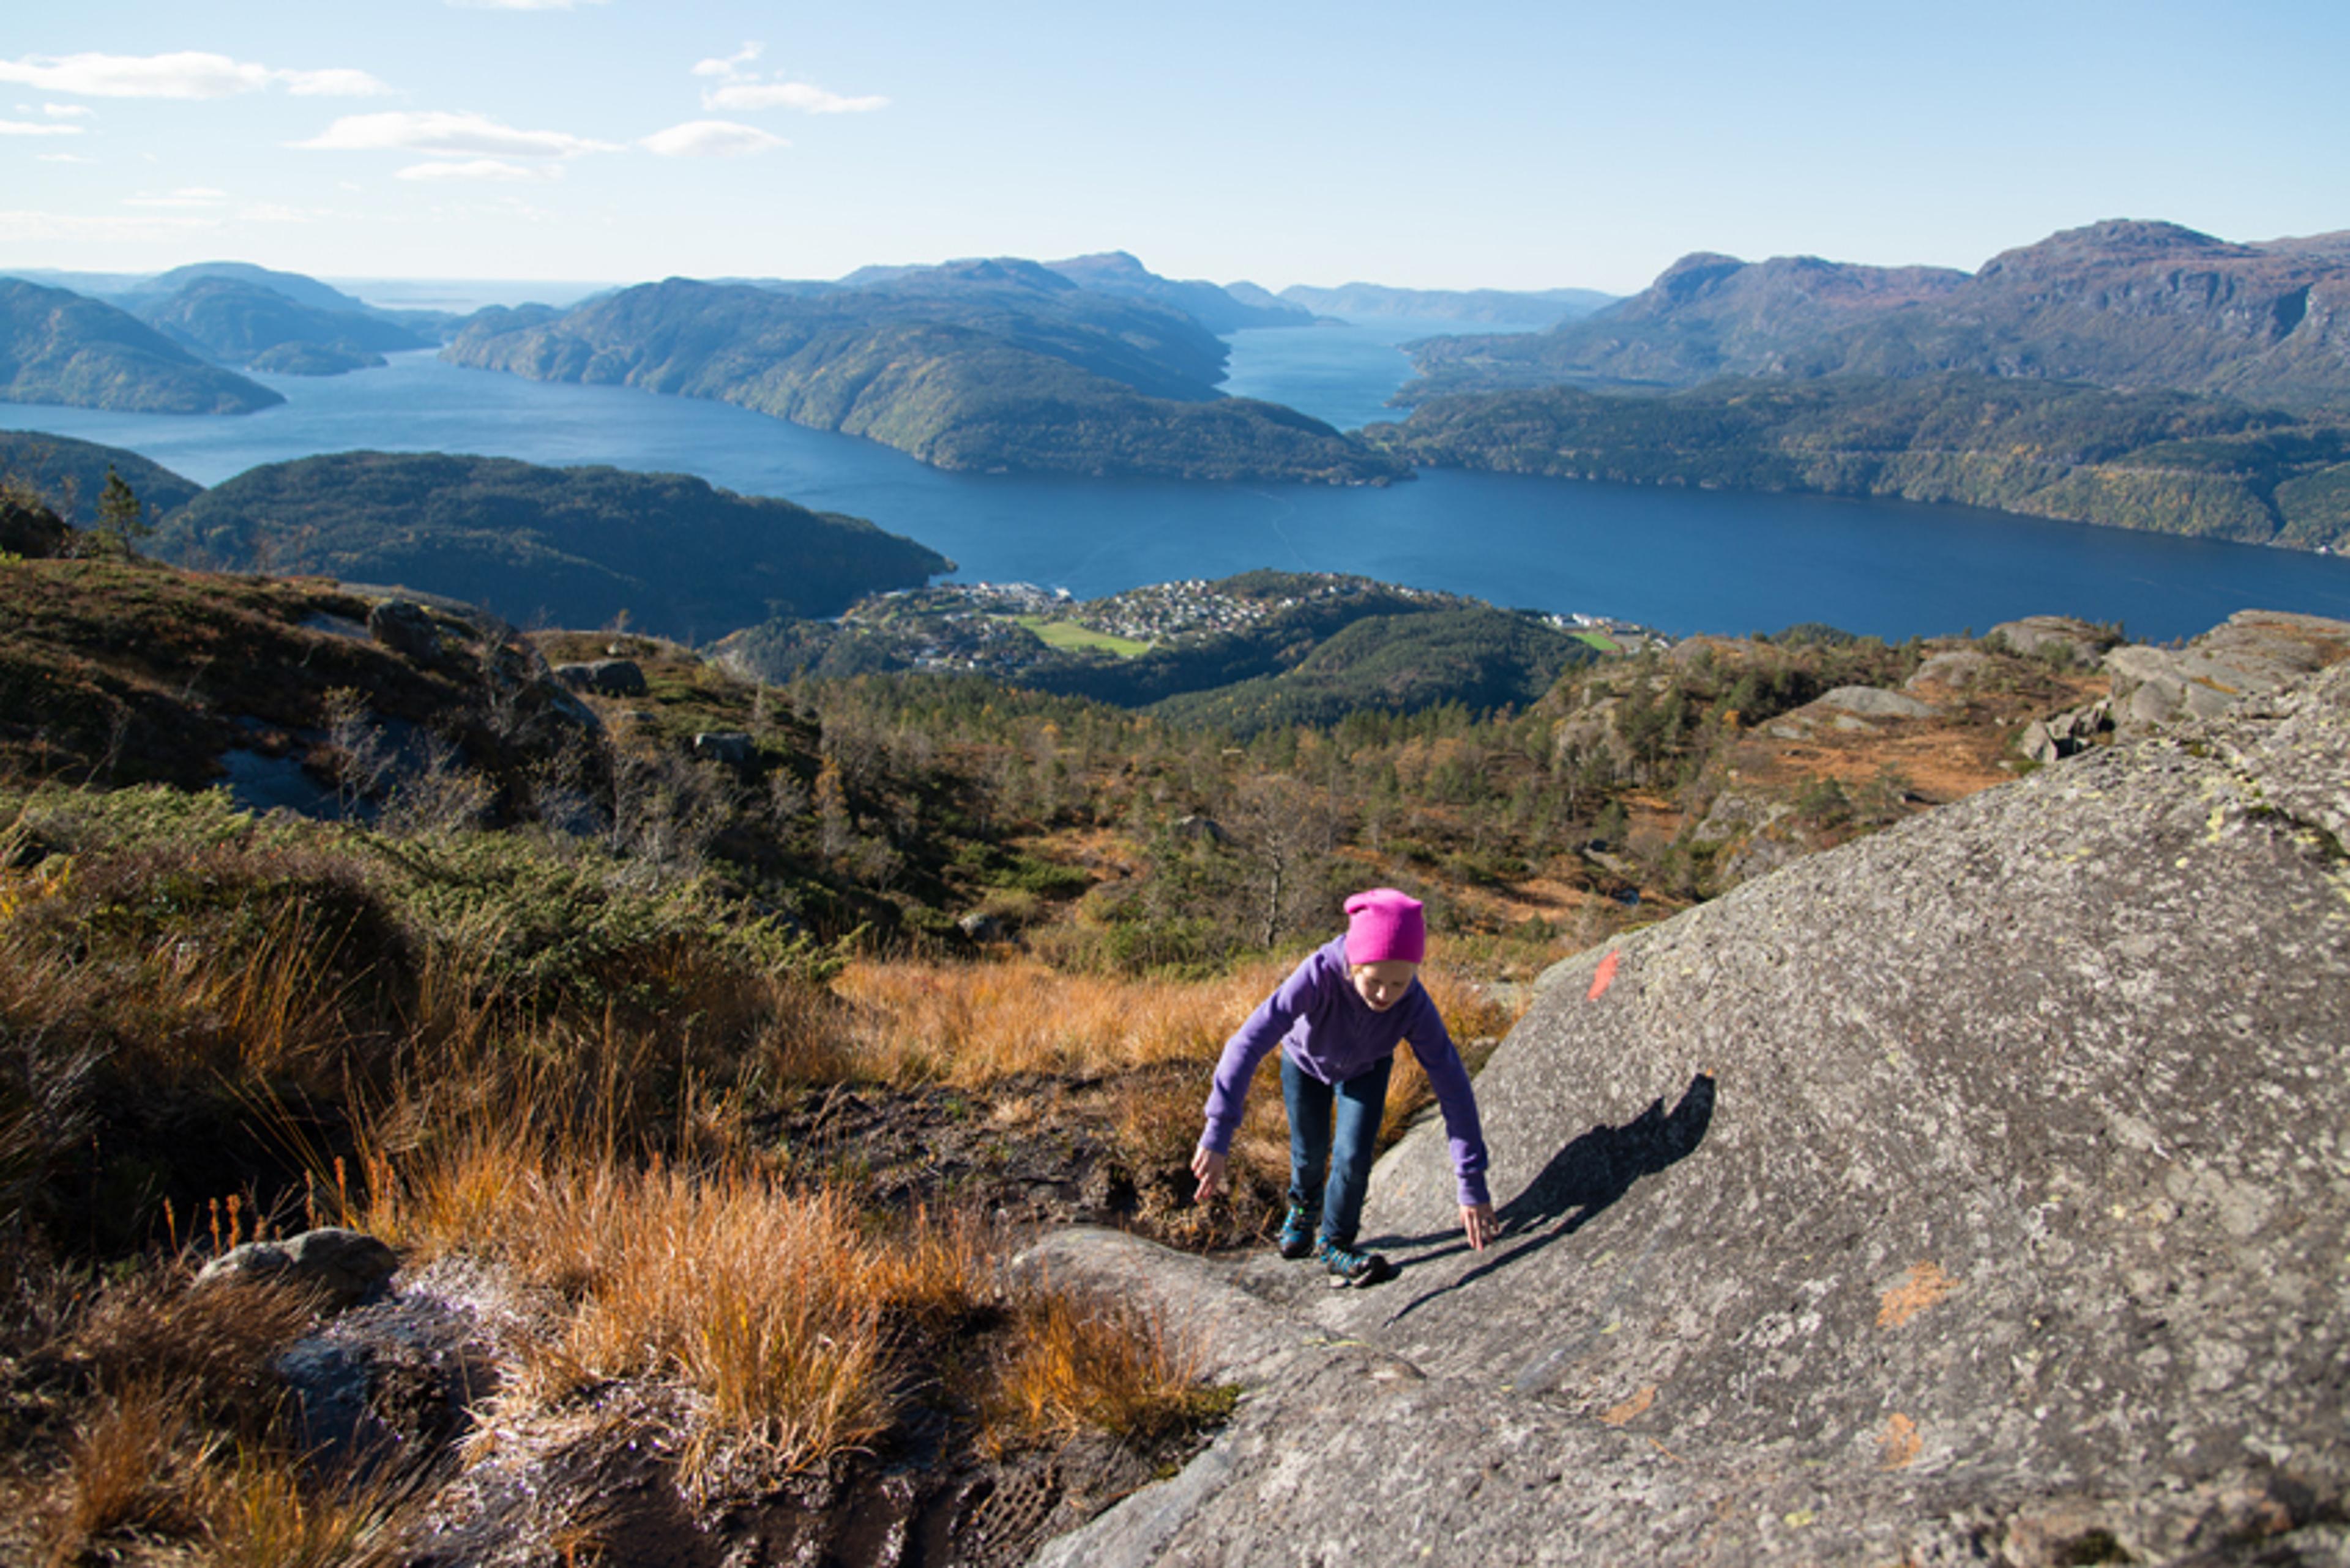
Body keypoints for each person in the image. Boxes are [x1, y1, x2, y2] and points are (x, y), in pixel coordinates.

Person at [1190, 888, 1497, 1286]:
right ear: (1354, 963)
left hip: (1366, 1069)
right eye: (1375, 982)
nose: (1386, 995)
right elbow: (1247, 1042)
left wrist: (1470, 1182)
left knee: (1353, 1159)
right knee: (1309, 1154)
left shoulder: (1414, 1003)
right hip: (1304, 1063)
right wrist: (1218, 1132)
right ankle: (1303, 1208)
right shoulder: (1319, 974)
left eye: (1399, 984)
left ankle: (1335, 1241)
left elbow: (1452, 1084)